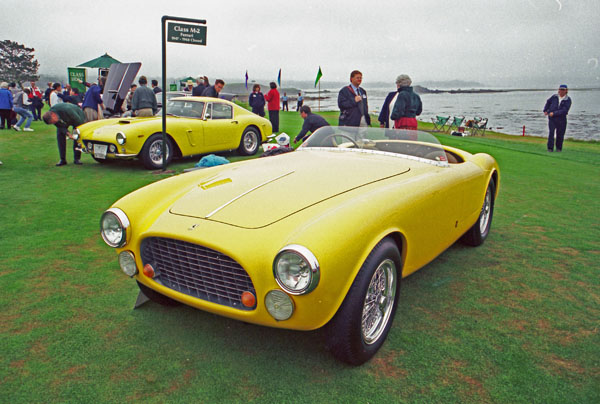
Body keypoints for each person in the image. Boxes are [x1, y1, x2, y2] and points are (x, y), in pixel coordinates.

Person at [543, 84, 572, 152]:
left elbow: (564, 110)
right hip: (552, 119)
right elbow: (548, 102)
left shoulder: (568, 100)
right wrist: (545, 110)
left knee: (560, 134)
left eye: (563, 90)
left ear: (566, 91)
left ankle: (559, 148)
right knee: (551, 133)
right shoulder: (554, 97)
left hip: (561, 119)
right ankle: (550, 148)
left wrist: (554, 113)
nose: (561, 91)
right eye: (560, 89)